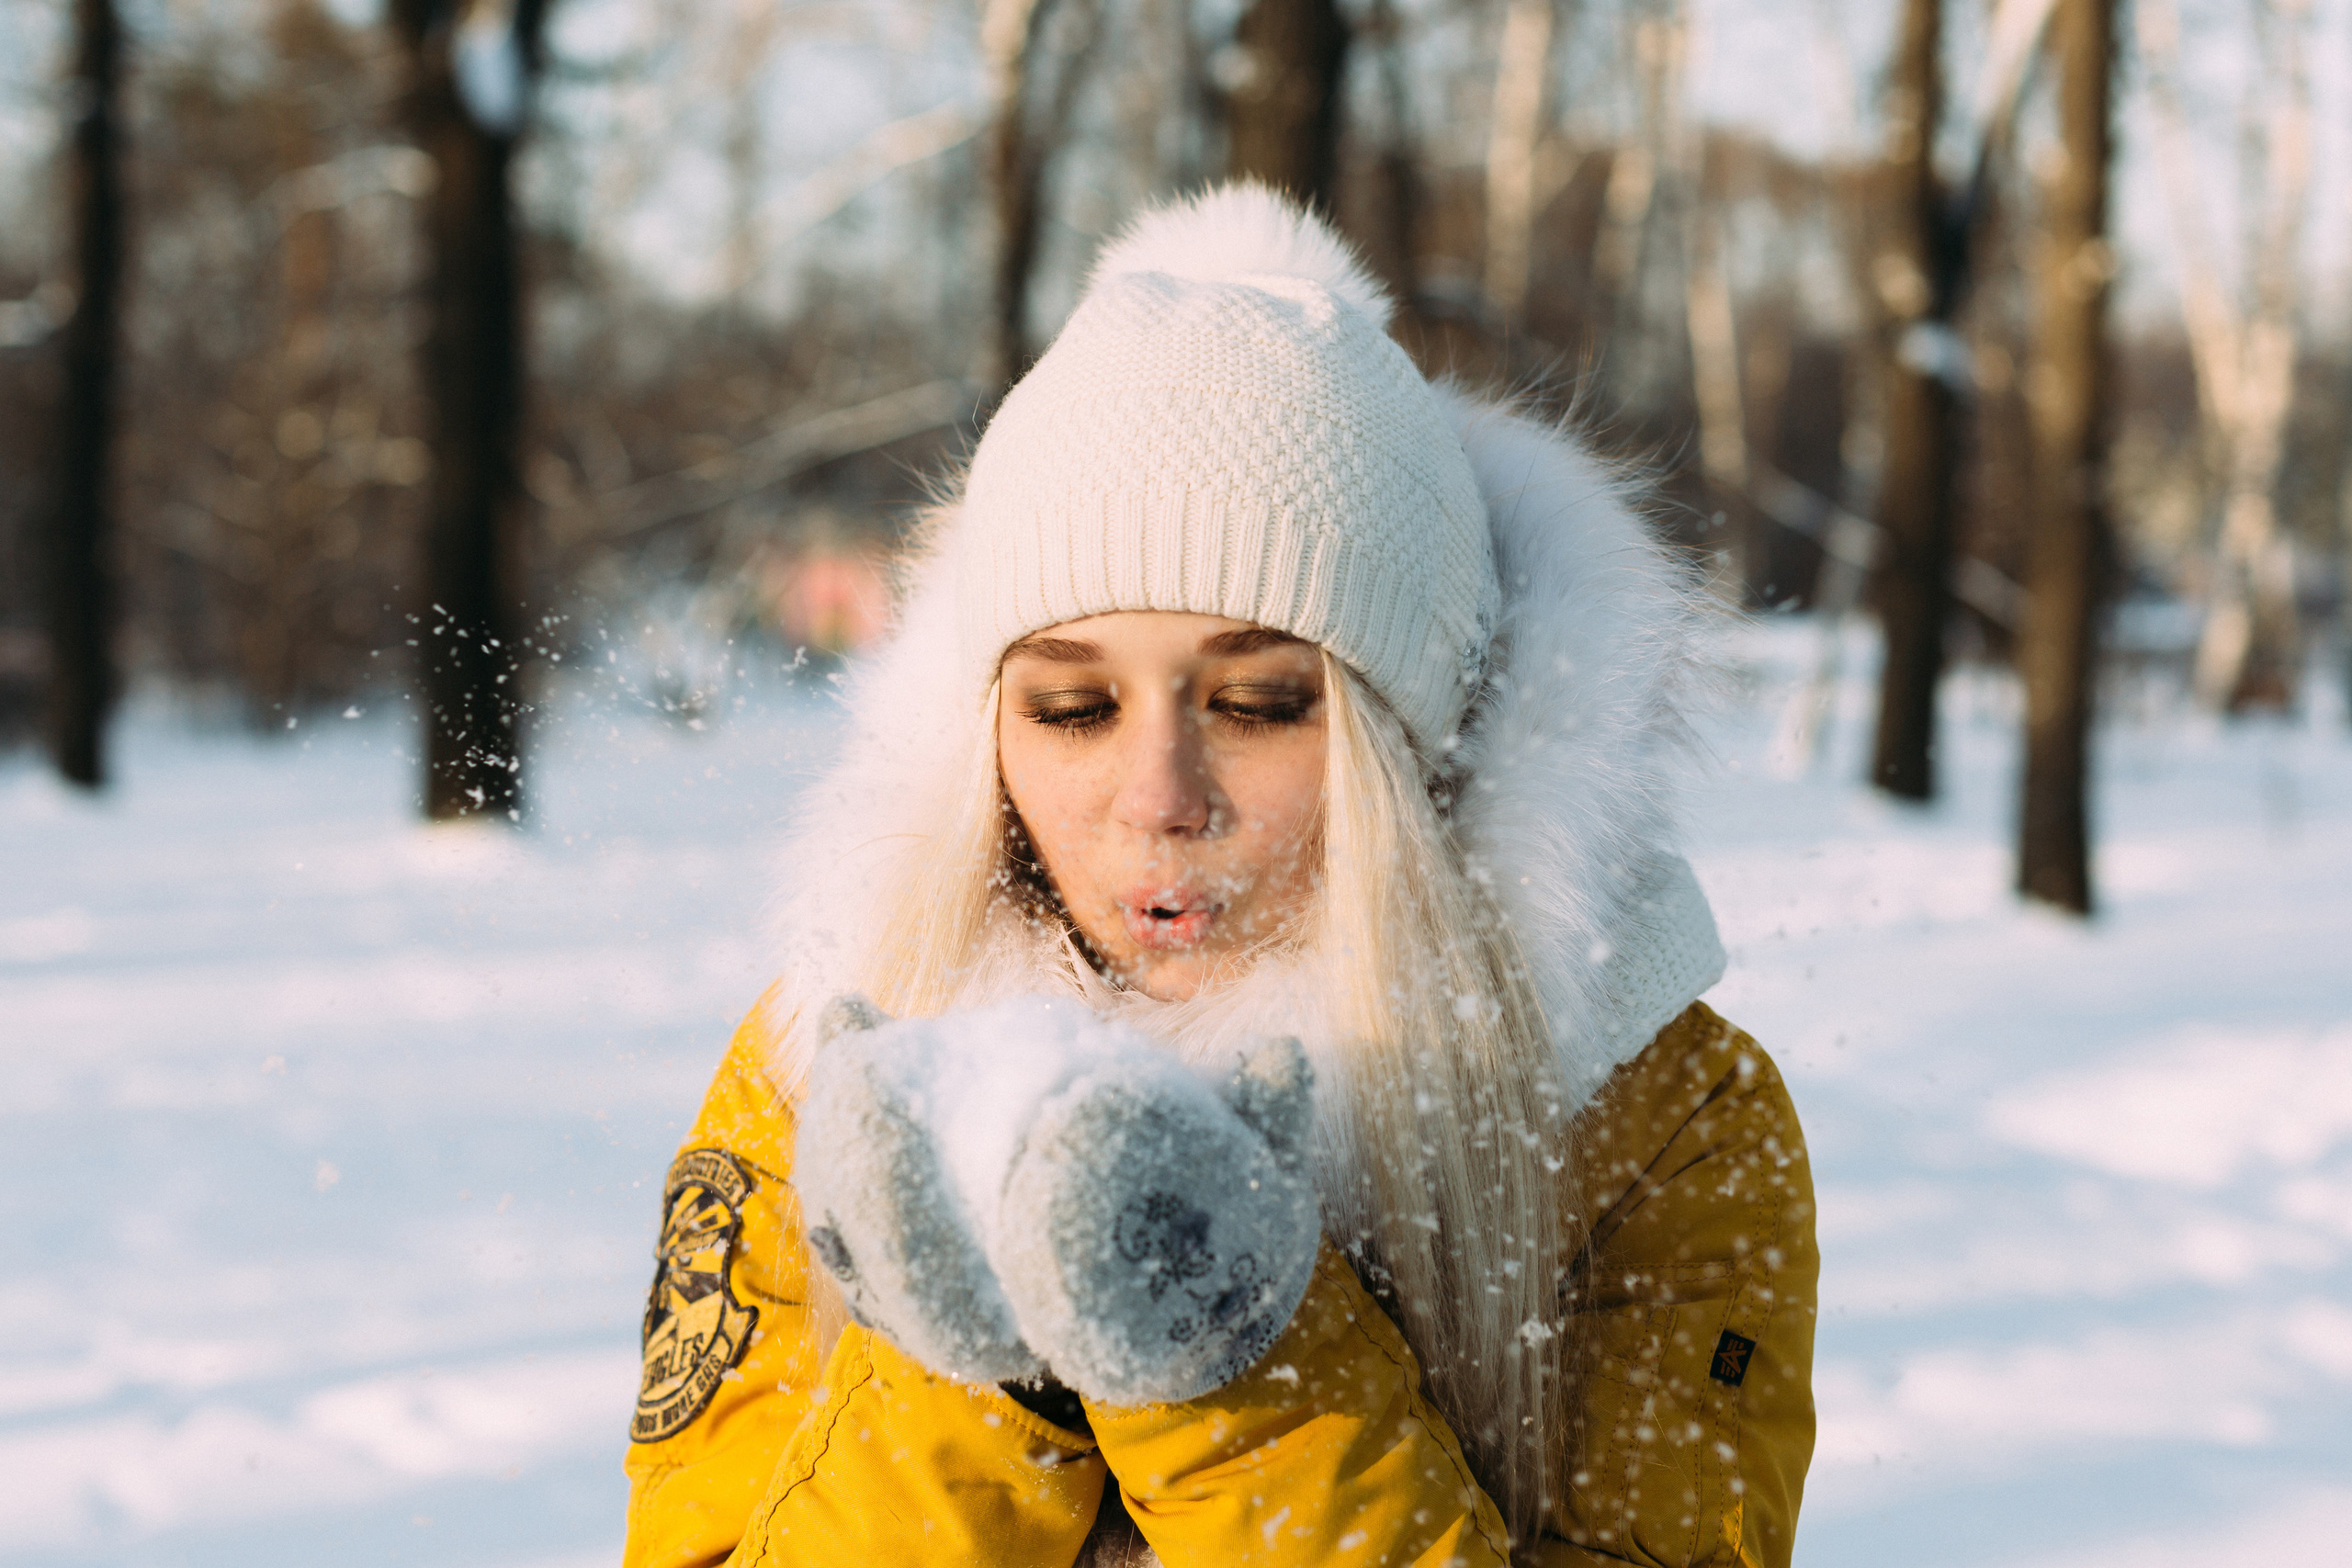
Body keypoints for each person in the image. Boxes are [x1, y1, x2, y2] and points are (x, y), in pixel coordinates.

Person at [620, 185, 1816, 1568]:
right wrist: (984, 1353)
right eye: (1072, 711)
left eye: (1256, 704)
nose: (1157, 801)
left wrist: (1222, 1342)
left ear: (1408, 742)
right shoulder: (831, 1072)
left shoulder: (1654, 1120)